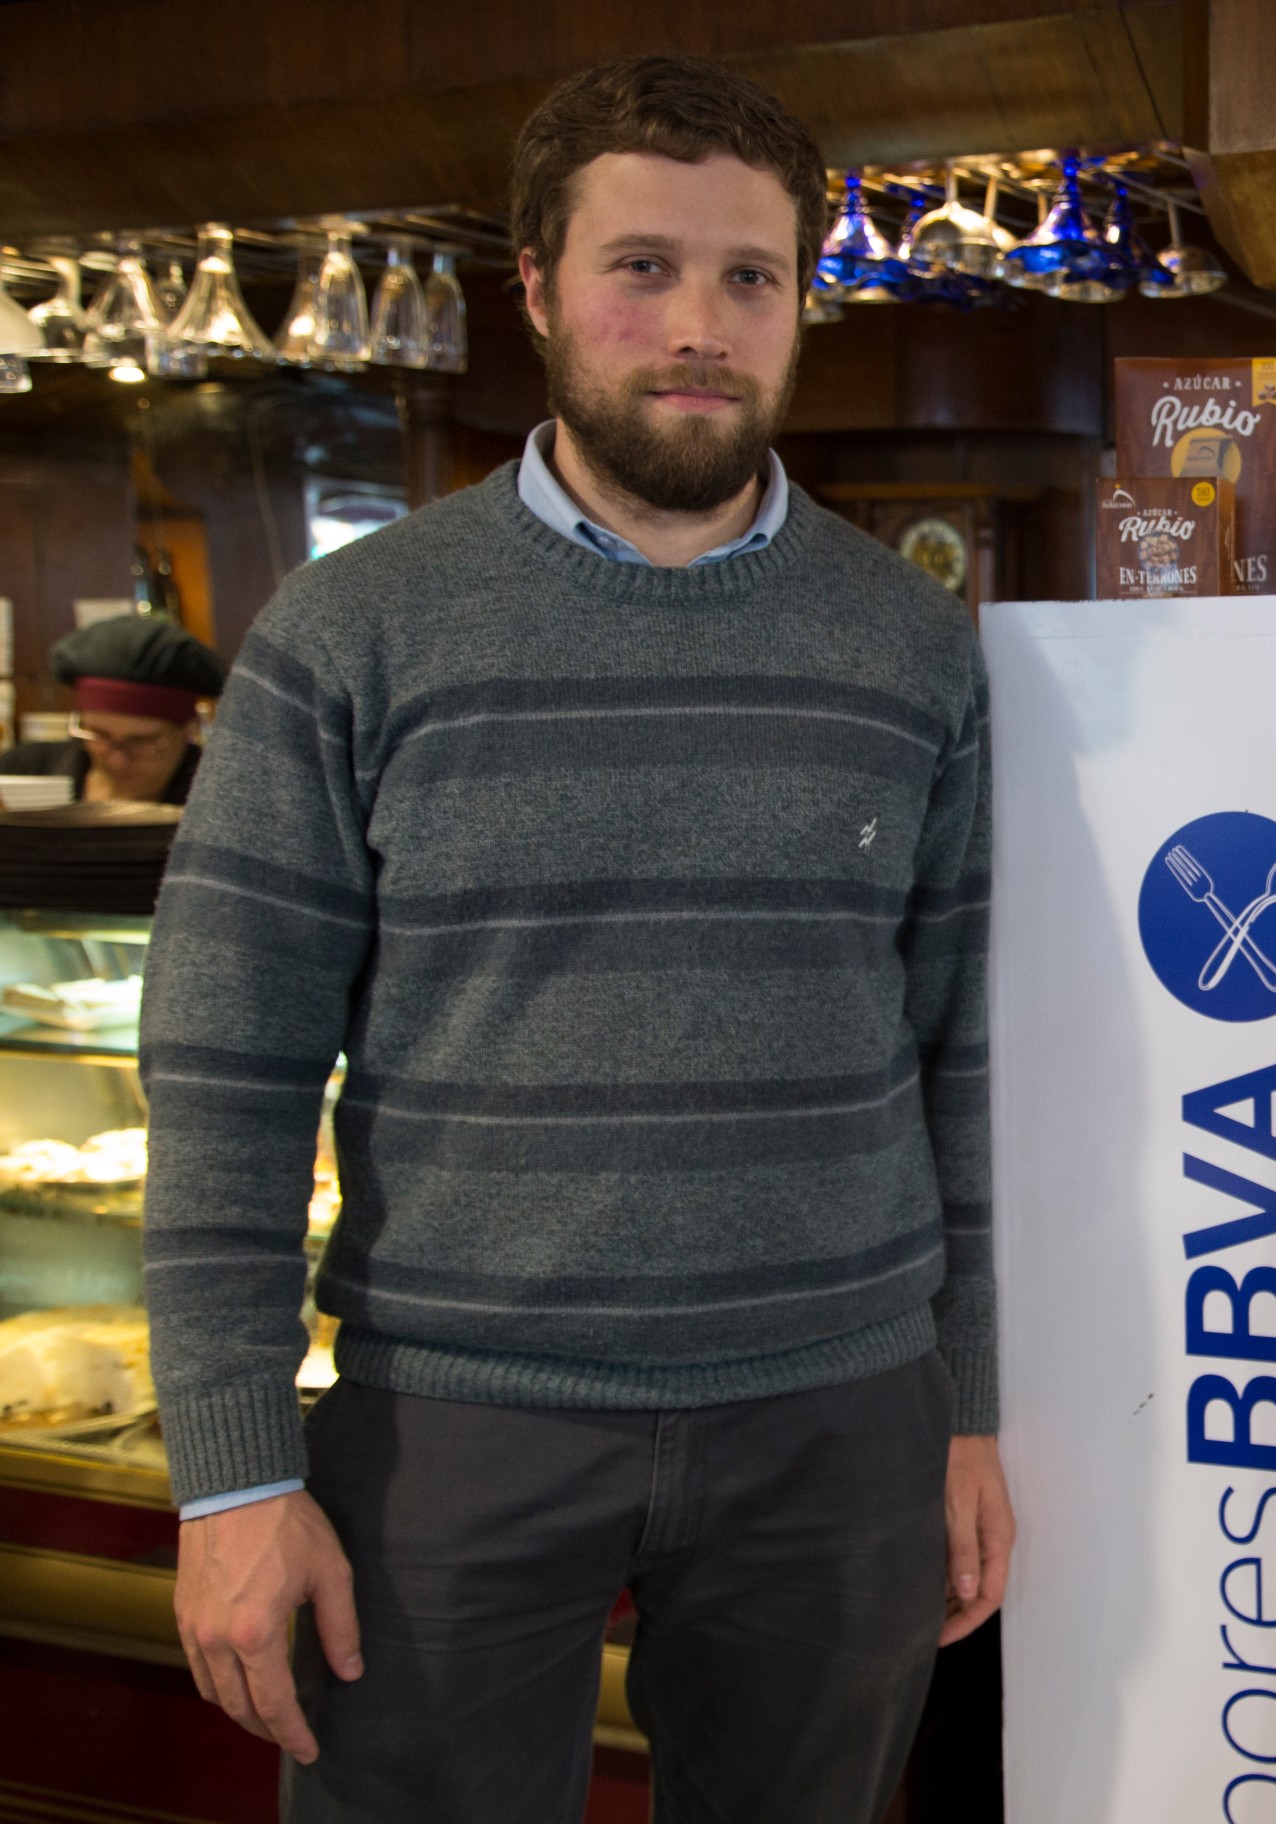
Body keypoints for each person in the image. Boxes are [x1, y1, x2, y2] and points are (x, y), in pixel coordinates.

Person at [140, 55, 1012, 1822]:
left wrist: (969, 1406)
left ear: (800, 307)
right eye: (642, 267)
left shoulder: (908, 644)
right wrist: (230, 1472)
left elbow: (963, 1057)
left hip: (840, 1415)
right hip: (453, 1422)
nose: (697, 323)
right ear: (534, 288)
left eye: (749, 277)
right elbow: (224, 1066)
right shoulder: (351, 631)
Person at [0, 615, 225, 803]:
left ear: (190, 728)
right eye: (99, 734)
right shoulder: (24, 769)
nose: (117, 761)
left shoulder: (221, 796)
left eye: (142, 741)